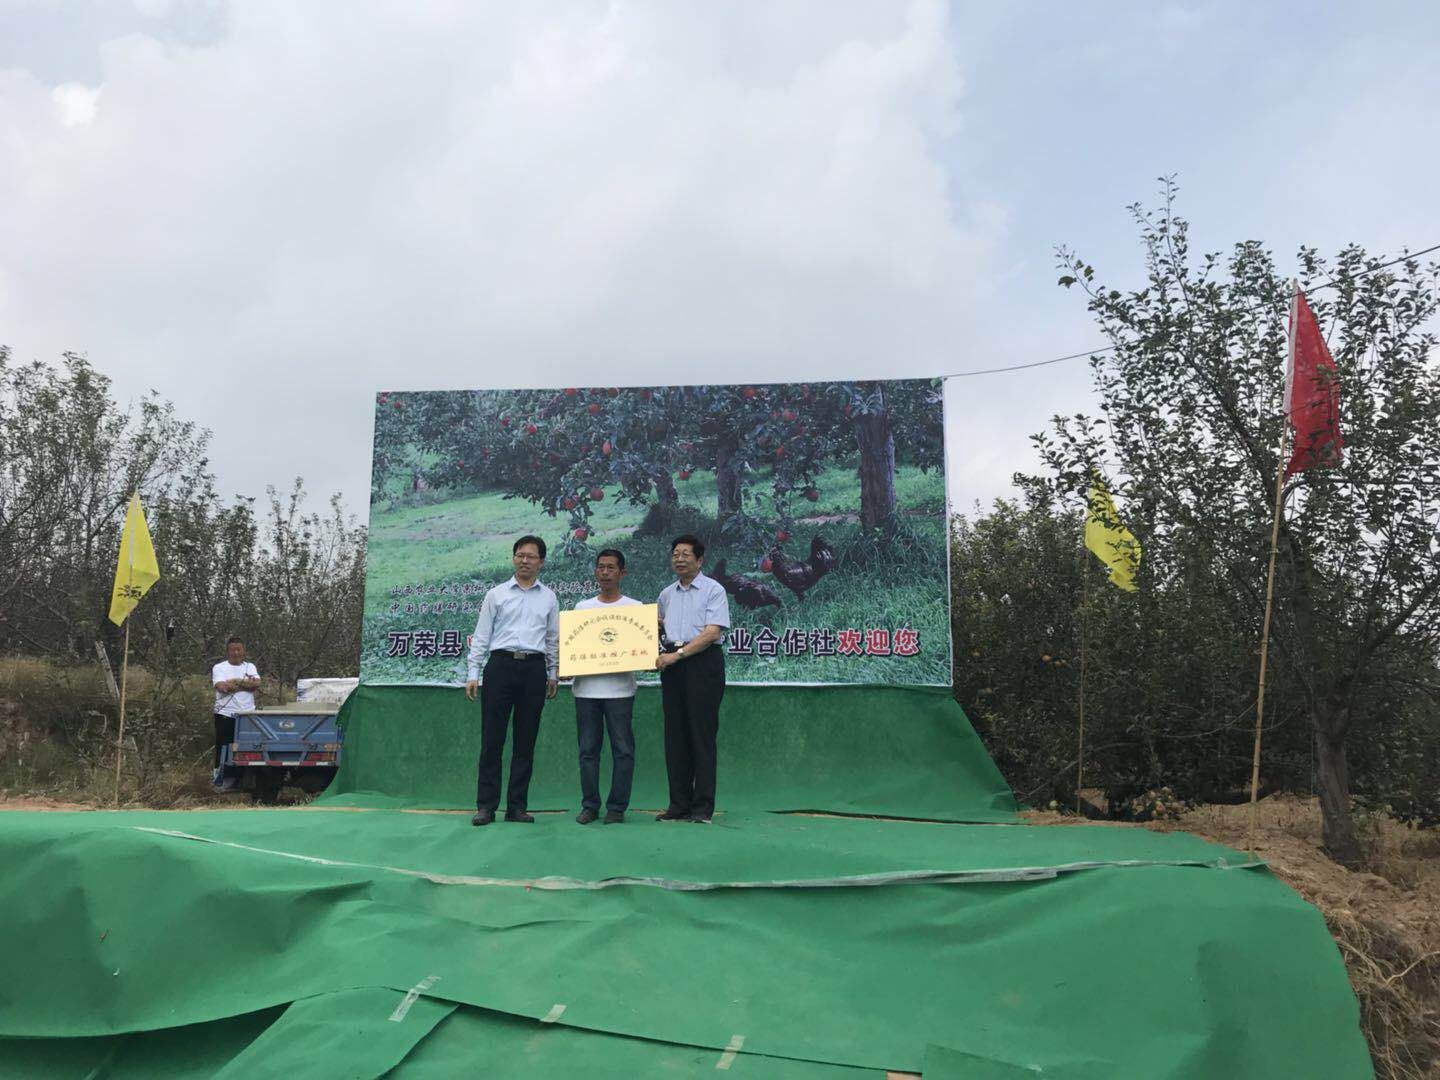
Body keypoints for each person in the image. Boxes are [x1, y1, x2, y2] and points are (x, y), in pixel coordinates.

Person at [465, 535, 559, 826]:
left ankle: (517, 807)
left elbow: (552, 638)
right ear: (513, 558)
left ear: (541, 562)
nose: (524, 561)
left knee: (525, 741)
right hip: (500, 667)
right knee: (492, 740)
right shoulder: (496, 594)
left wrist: (553, 672)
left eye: (531, 556)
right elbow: (482, 635)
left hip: (534, 670)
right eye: (520, 555)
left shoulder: (549, 597)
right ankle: (486, 806)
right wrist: (473, 672)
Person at [654, 534, 730, 824]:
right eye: (676, 554)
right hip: (673, 667)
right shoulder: (666, 594)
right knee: (675, 736)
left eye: (686, 554)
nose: (679, 559)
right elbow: (662, 629)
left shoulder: (714, 590)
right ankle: (678, 806)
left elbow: (712, 633)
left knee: (701, 735)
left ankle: (702, 808)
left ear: (700, 560)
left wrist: (678, 655)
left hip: (703, 664)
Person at [571, 549, 640, 825]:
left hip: (620, 691)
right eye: (601, 567)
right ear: (595, 572)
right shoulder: (582, 609)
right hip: (586, 691)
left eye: (611, 568)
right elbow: (573, 647)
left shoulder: (635, 608)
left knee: (623, 750)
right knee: (588, 751)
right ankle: (590, 805)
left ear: (623, 573)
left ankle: (617, 807)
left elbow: (643, 648)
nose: (605, 572)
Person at [212, 637, 259, 790]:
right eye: (233, 649)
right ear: (228, 651)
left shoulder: (250, 667)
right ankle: (221, 781)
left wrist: (236, 681)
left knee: (246, 749)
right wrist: (245, 684)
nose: (236, 653)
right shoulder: (219, 667)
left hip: (247, 715)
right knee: (224, 748)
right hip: (225, 714)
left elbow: (256, 685)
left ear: (243, 651)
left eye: (239, 649)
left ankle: (242, 781)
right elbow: (223, 688)